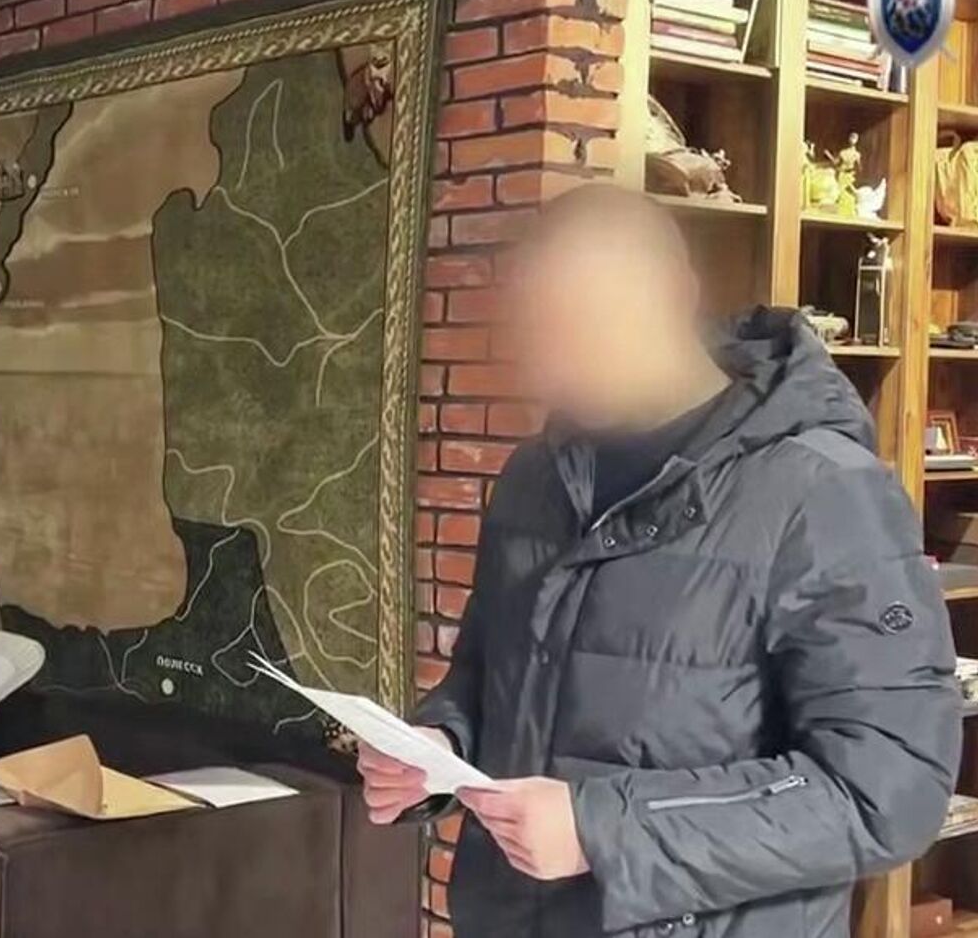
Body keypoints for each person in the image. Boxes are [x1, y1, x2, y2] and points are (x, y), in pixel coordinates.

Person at [359, 185, 960, 936]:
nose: (551, 365)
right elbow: (487, 677)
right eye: (537, 332)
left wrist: (604, 830)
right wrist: (440, 746)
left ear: (675, 293)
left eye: (584, 322)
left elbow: (888, 790)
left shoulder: (823, 493)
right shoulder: (534, 478)